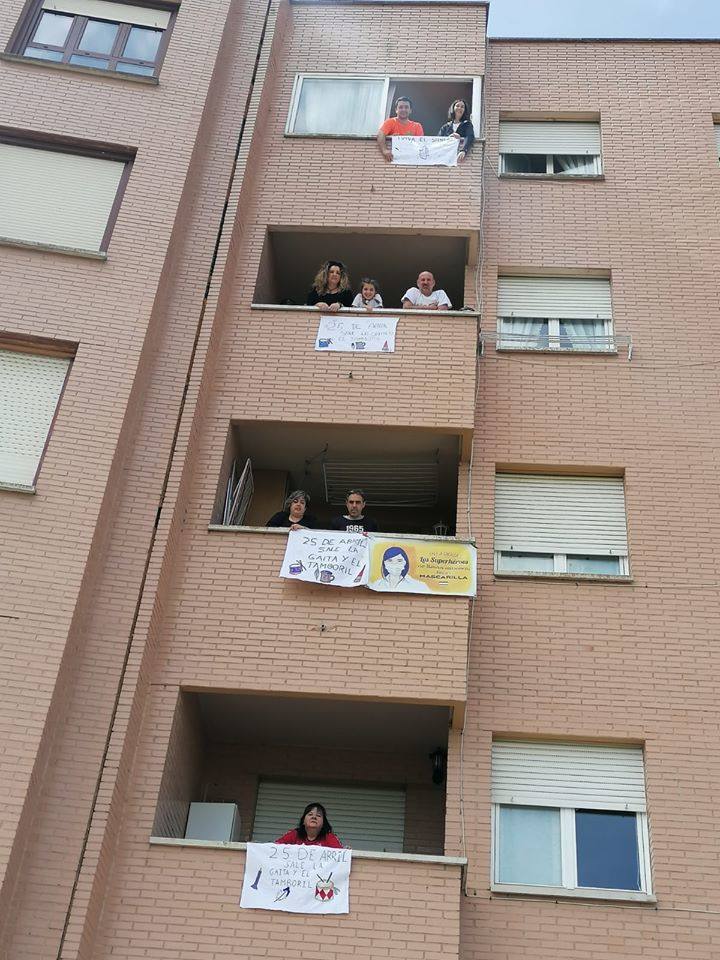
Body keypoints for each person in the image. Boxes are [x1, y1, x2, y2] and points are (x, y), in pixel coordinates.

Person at [275, 802, 344, 848]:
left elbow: (340, 853)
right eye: (310, 814)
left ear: (323, 823)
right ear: (303, 821)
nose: (314, 817)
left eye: (318, 815)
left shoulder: (329, 837)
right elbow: (275, 847)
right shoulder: (294, 834)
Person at [377, 96, 424, 162]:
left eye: (406, 107)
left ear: (410, 110)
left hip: (411, 161)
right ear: (396, 110)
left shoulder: (417, 126)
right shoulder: (390, 122)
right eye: (400, 107)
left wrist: (410, 140)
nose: (403, 110)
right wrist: (384, 150)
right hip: (392, 161)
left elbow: (421, 144)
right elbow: (380, 134)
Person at [438, 99, 475, 163]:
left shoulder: (467, 124)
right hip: (446, 158)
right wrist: (448, 138)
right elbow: (438, 140)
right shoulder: (446, 127)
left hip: (460, 159)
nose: (459, 108)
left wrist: (463, 150)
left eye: (462, 107)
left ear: (464, 111)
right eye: (457, 106)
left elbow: (470, 137)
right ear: (453, 108)